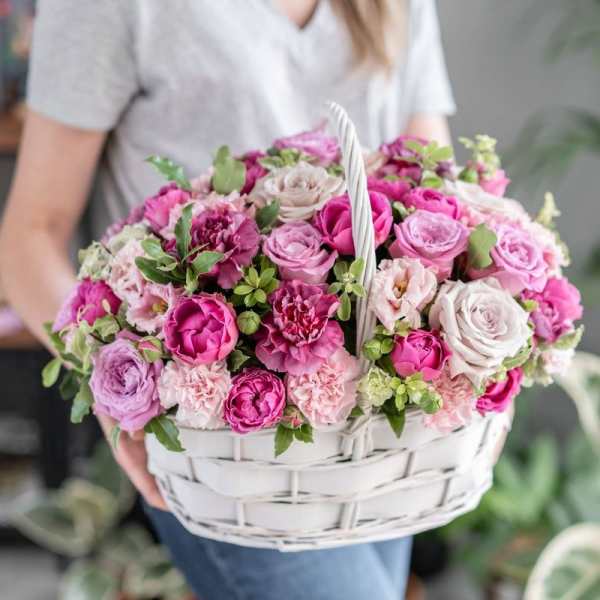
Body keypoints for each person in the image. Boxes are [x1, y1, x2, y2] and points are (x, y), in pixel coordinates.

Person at [0, 1, 455, 598]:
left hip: (374, 422)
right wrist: (113, 388)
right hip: (224, 440)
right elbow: (28, 236)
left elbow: (437, 192)